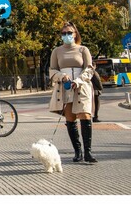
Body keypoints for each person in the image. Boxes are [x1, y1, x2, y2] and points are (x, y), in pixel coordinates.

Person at [49, 21, 98, 163]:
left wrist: (79, 81)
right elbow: (52, 70)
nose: (66, 35)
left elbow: (89, 68)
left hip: (82, 86)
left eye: (69, 33)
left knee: (85, 115)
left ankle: (88, 152)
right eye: (63, 33)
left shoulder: (83, 50)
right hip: (65, 87)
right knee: (70, 119)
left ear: (75, 34)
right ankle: (78, 151)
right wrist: (61, 76)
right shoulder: (56, 51)